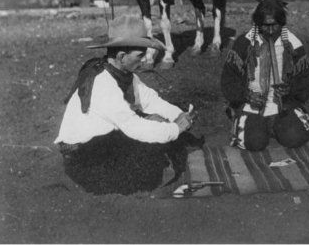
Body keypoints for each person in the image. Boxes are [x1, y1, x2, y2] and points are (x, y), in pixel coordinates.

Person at [54, 15, 200, 194]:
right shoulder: (103, 83)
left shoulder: (122, 73)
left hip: (104, 142)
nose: (144, 59)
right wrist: (176, 129)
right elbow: (134, 127)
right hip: (83, 156)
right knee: (149, 170)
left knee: (156, 127)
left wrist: (177, 115)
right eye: (140, 55)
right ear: (122, 56)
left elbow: (149, 100)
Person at [221, 0, 309, 151]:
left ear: (282, 23)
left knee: (296, 138)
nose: (270, 31)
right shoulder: (244, 43)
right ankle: (248, 123)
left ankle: (277, 125)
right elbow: (228, 80)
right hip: (251, 106)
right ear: (258, 24)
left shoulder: (293, 44)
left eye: (275, 26)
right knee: (255, 143)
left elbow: (305, 81)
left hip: (282, 107)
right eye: (265, 26)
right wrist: (246, 95)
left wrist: (289, 91)